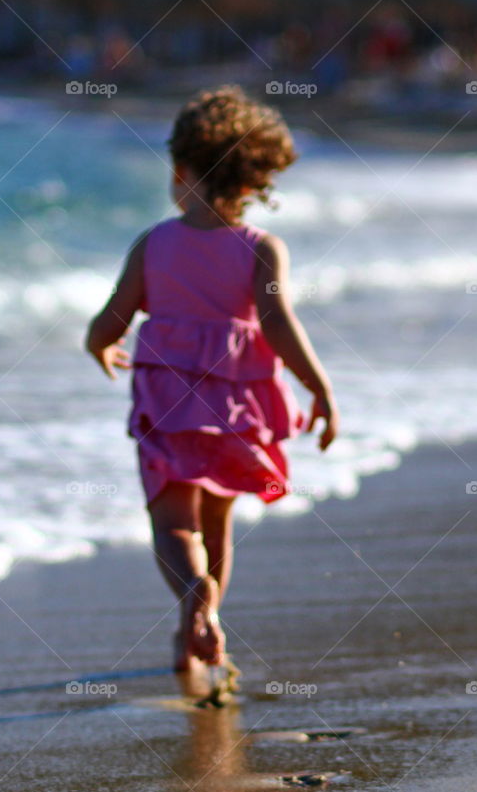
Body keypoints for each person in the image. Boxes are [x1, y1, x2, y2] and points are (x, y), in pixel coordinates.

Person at [86, 86, 339, 673]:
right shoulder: (261, 250)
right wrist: (319, 388)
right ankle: (205, 621)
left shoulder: (154, 244)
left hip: (169, 404)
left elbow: (112, 319)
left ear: (180, 170)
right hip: (235, 405)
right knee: (218, 522)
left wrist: (99, 347)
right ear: (254, 182)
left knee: (173, 522)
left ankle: (191, 601)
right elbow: (278, 324)